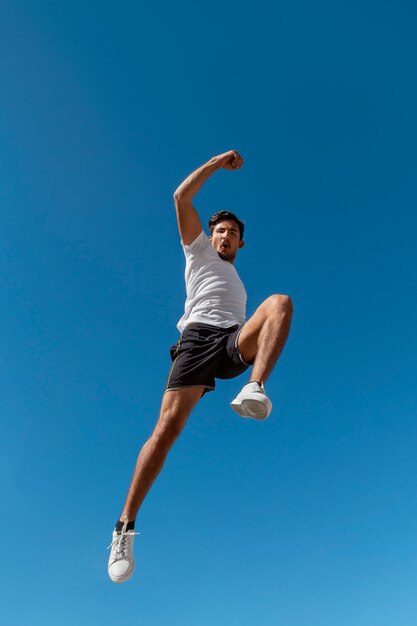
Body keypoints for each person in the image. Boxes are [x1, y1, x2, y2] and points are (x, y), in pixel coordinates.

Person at [107, 150, 293, 583]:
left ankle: (255, 386)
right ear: (210, 238)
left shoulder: (239, 281)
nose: (225, 237)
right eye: (220, 231)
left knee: (279, 303)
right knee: (167, 430)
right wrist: (215, 164)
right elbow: (180, 197)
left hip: (230, 342)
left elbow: (264, 315)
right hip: (196, 340)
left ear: (241, 244)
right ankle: (124, 527)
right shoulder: (197, 253)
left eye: (232, 234)